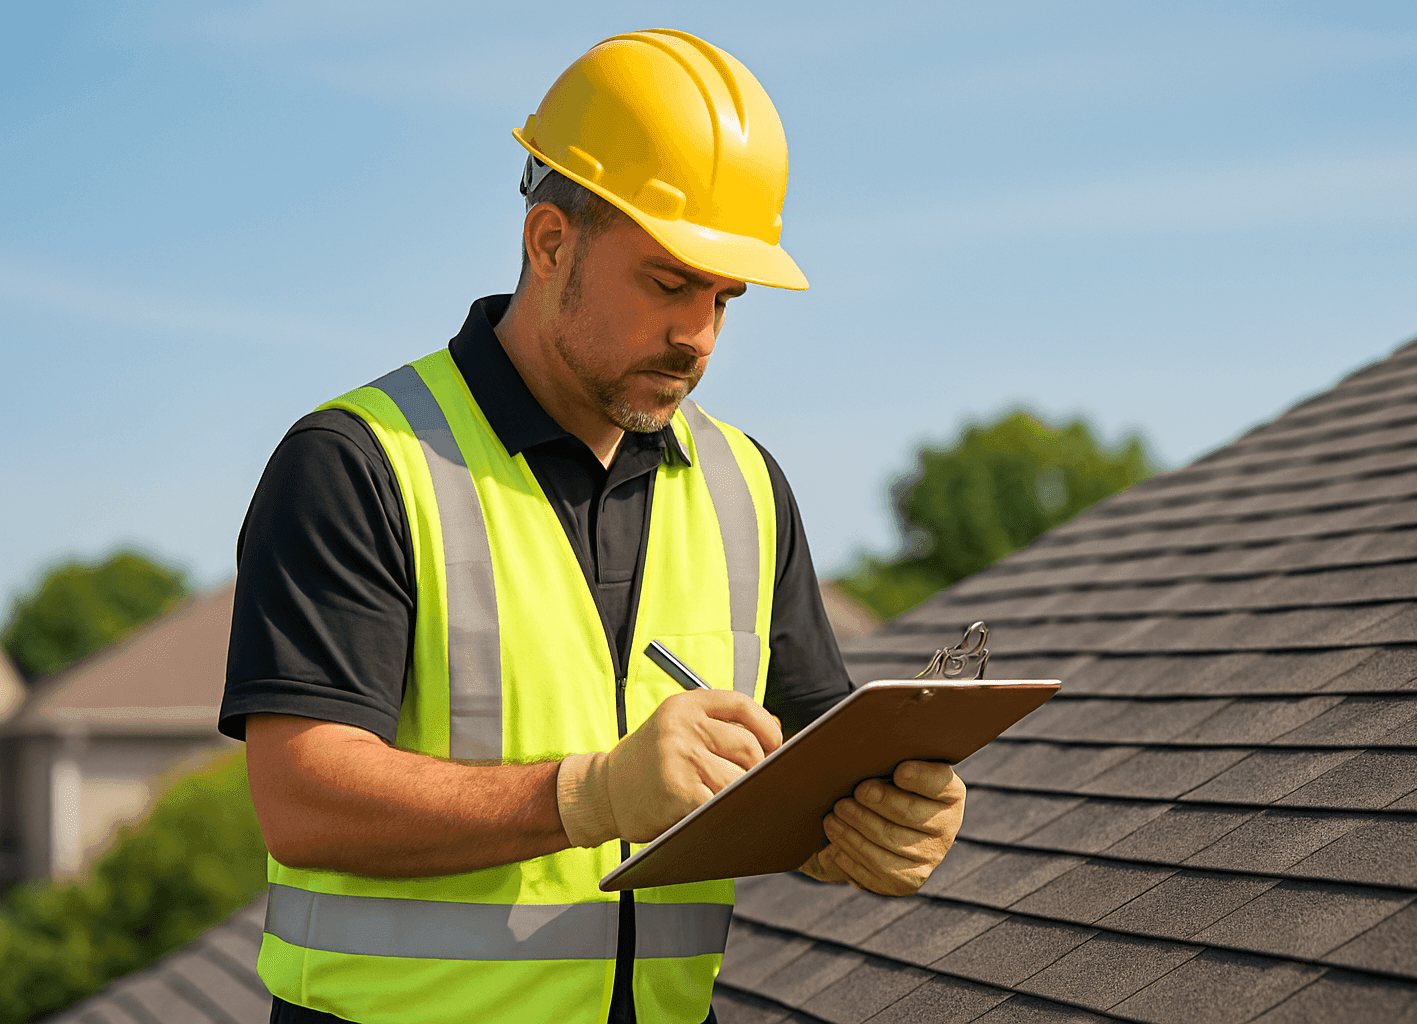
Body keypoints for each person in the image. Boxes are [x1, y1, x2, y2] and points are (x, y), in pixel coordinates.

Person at [220, 29, 966, 1024]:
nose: (697, 333)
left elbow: (801, 768)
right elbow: (303, 799)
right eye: (668, 283)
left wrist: (869, 819)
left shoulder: (745, 485)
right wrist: (588, 796)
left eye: (723, 297)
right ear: (549, 242)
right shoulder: (360, 463)